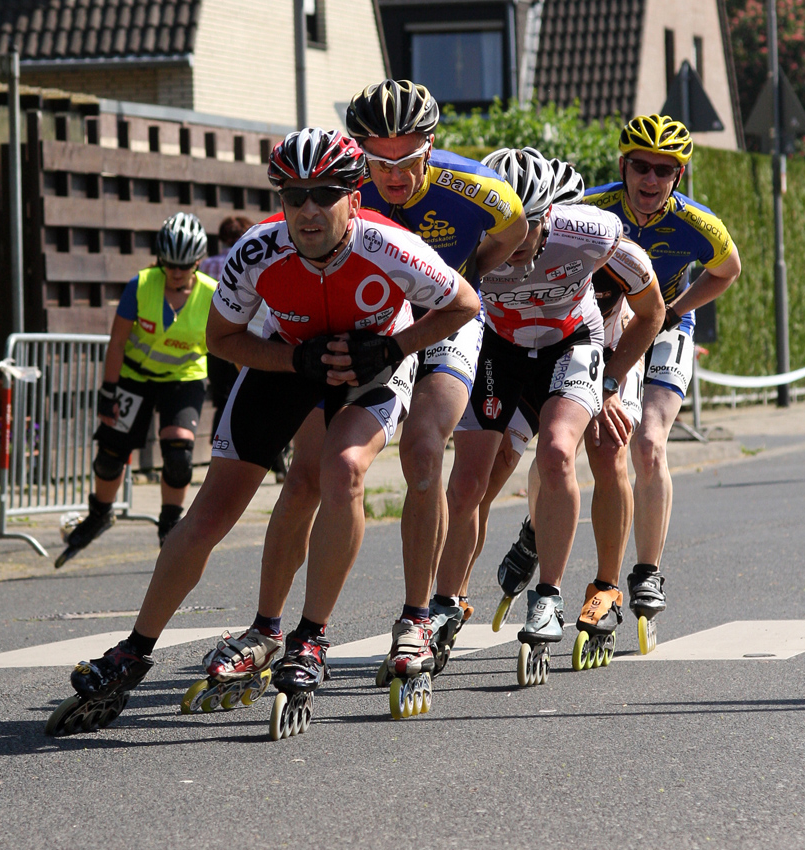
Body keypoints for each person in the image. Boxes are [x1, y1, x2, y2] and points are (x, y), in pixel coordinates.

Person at [56, 128, 480, 724]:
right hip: (287, 362)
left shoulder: (391, 246)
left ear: (354, 198)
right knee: (212, 511)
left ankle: (311, 636)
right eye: (295, 194)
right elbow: (222, 340)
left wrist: (394, 348)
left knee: (342, 470)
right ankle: (136, 649)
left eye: (325, 193)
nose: (308, 208)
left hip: (369, 368)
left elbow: (464, 303)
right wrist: (293, 359)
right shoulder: (256, 252)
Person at [224, 79, 527, 687]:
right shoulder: (341, 190)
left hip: (439, 317)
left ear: (431, 145)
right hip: (367, 325)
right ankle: (269, 627)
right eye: (378, 159)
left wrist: (462, 274)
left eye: (408, 158)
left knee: (422, 453)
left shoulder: (479, 189)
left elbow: (510, 233)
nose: (393, 173)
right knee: (312, 470)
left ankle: (419, 616)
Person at [499, 115, 741, 629]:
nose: (649, 180)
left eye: (663, 170)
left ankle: (648, 571)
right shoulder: (592, 209)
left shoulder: (700, 224)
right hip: (602, 322)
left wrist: (677, 311)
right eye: (639, 167)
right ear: (622, 166)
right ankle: (537, 530)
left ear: (679, 176)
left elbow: (728, 270)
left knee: (648, 442)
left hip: (665, 319)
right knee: (556, 437)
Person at [450, 159, 665, 645]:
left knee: (604, 449)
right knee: (489, 468)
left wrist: (611, 382)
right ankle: (457, 592)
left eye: (534, 224)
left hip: (597, 345)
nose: (521, 240)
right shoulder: (477, 241)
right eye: (511, 227)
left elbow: (652, 313)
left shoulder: (595, 236)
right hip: (509, 349)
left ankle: (605, 587)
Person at [54, 212, 216, 569]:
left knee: (179, 455)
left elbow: (224, 343)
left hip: (183, 379)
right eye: (169, 264)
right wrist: (108, 392)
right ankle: (99, 514)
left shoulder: (211, 293)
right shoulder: (140, 285)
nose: (175, 272)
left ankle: (169, 525)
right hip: (135, 378)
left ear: (198, 261)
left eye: (184, 265)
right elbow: (117, 342)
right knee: (110, 455)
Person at [199, 215, 254, 437]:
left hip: (213, 338)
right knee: (245, 394)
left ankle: (220, 444)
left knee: (222, 397)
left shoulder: (205, 264)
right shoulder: (248, 261)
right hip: (243, 338)